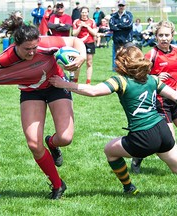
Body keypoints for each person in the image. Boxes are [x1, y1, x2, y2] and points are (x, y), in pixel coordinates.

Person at [0, 23, 87, 199]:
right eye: (27, 49)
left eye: (34, 48)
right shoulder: (5, 59)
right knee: (34, 144)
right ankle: (57, 185)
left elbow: (75, 41)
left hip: (56, 84)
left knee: (66, 138)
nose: (31, 52)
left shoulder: (46, 43)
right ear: (15, 44)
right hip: (30, 91)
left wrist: (82, 56)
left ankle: (52, 143)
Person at [49, 45, 177, 195]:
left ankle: (128, 187)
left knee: (110, 150)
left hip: (143, 135)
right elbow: (175, 96)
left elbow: (94, 91)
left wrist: (64, 84)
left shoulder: (121, 81)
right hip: (162, 129)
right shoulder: (152, 79)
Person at [131, 21, 177, 173]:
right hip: (161, 101)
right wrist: (156, 76)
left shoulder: (176, 51)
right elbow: (139, 75)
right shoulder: (151, 54)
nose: (164, 38)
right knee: (169, 139)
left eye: (167, 35)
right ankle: (138, 156)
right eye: (161, 35)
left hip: (176, 98)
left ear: (172, 35)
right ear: (156, 36)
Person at [72, 6, 97, 84]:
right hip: (79, 43)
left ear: (88, 13)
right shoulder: (77, 21)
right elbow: (74, 34)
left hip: (89, 43)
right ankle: (75, 80)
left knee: (89, 62)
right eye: (83, 12)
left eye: (86, 12)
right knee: (78, 62)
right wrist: (80, 26)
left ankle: (88, 81)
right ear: (80, 13)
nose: (84, 14)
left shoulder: (92, 21)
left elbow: (94, 33)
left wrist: (87, 27)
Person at [109, 0, 133, 70]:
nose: (121, 7)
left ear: (125, 6)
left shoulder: (129, 15)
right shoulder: (114, 16)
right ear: (118, 6)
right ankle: (119, 71)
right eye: (120, 5)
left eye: (123, 5)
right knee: (118, 57)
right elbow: (112, 26)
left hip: (127, 40)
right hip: (117, 40)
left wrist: (118, 25)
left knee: (128, 56)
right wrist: (122, 26)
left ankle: (128, 71)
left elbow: (129, 25)